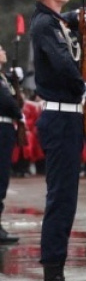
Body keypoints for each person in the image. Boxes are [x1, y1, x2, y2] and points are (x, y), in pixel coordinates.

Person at [27, 0, 86, 281]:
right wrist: (85, 87)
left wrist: (77, 14)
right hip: (60, 118)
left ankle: (57, 278)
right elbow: (62, 62)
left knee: (66, 200)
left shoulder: (52, 21)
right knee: (61, 200)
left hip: (67, 118)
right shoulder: (43, 25)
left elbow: (64, 26)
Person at [0, 44, 24, 244]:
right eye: (1, 49)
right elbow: (7, 102)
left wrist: (16, 79)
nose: (4, 52)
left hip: (6, 129)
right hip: (1, 128)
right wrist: (19, 113)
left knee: (3, 177)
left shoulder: (2, 77)